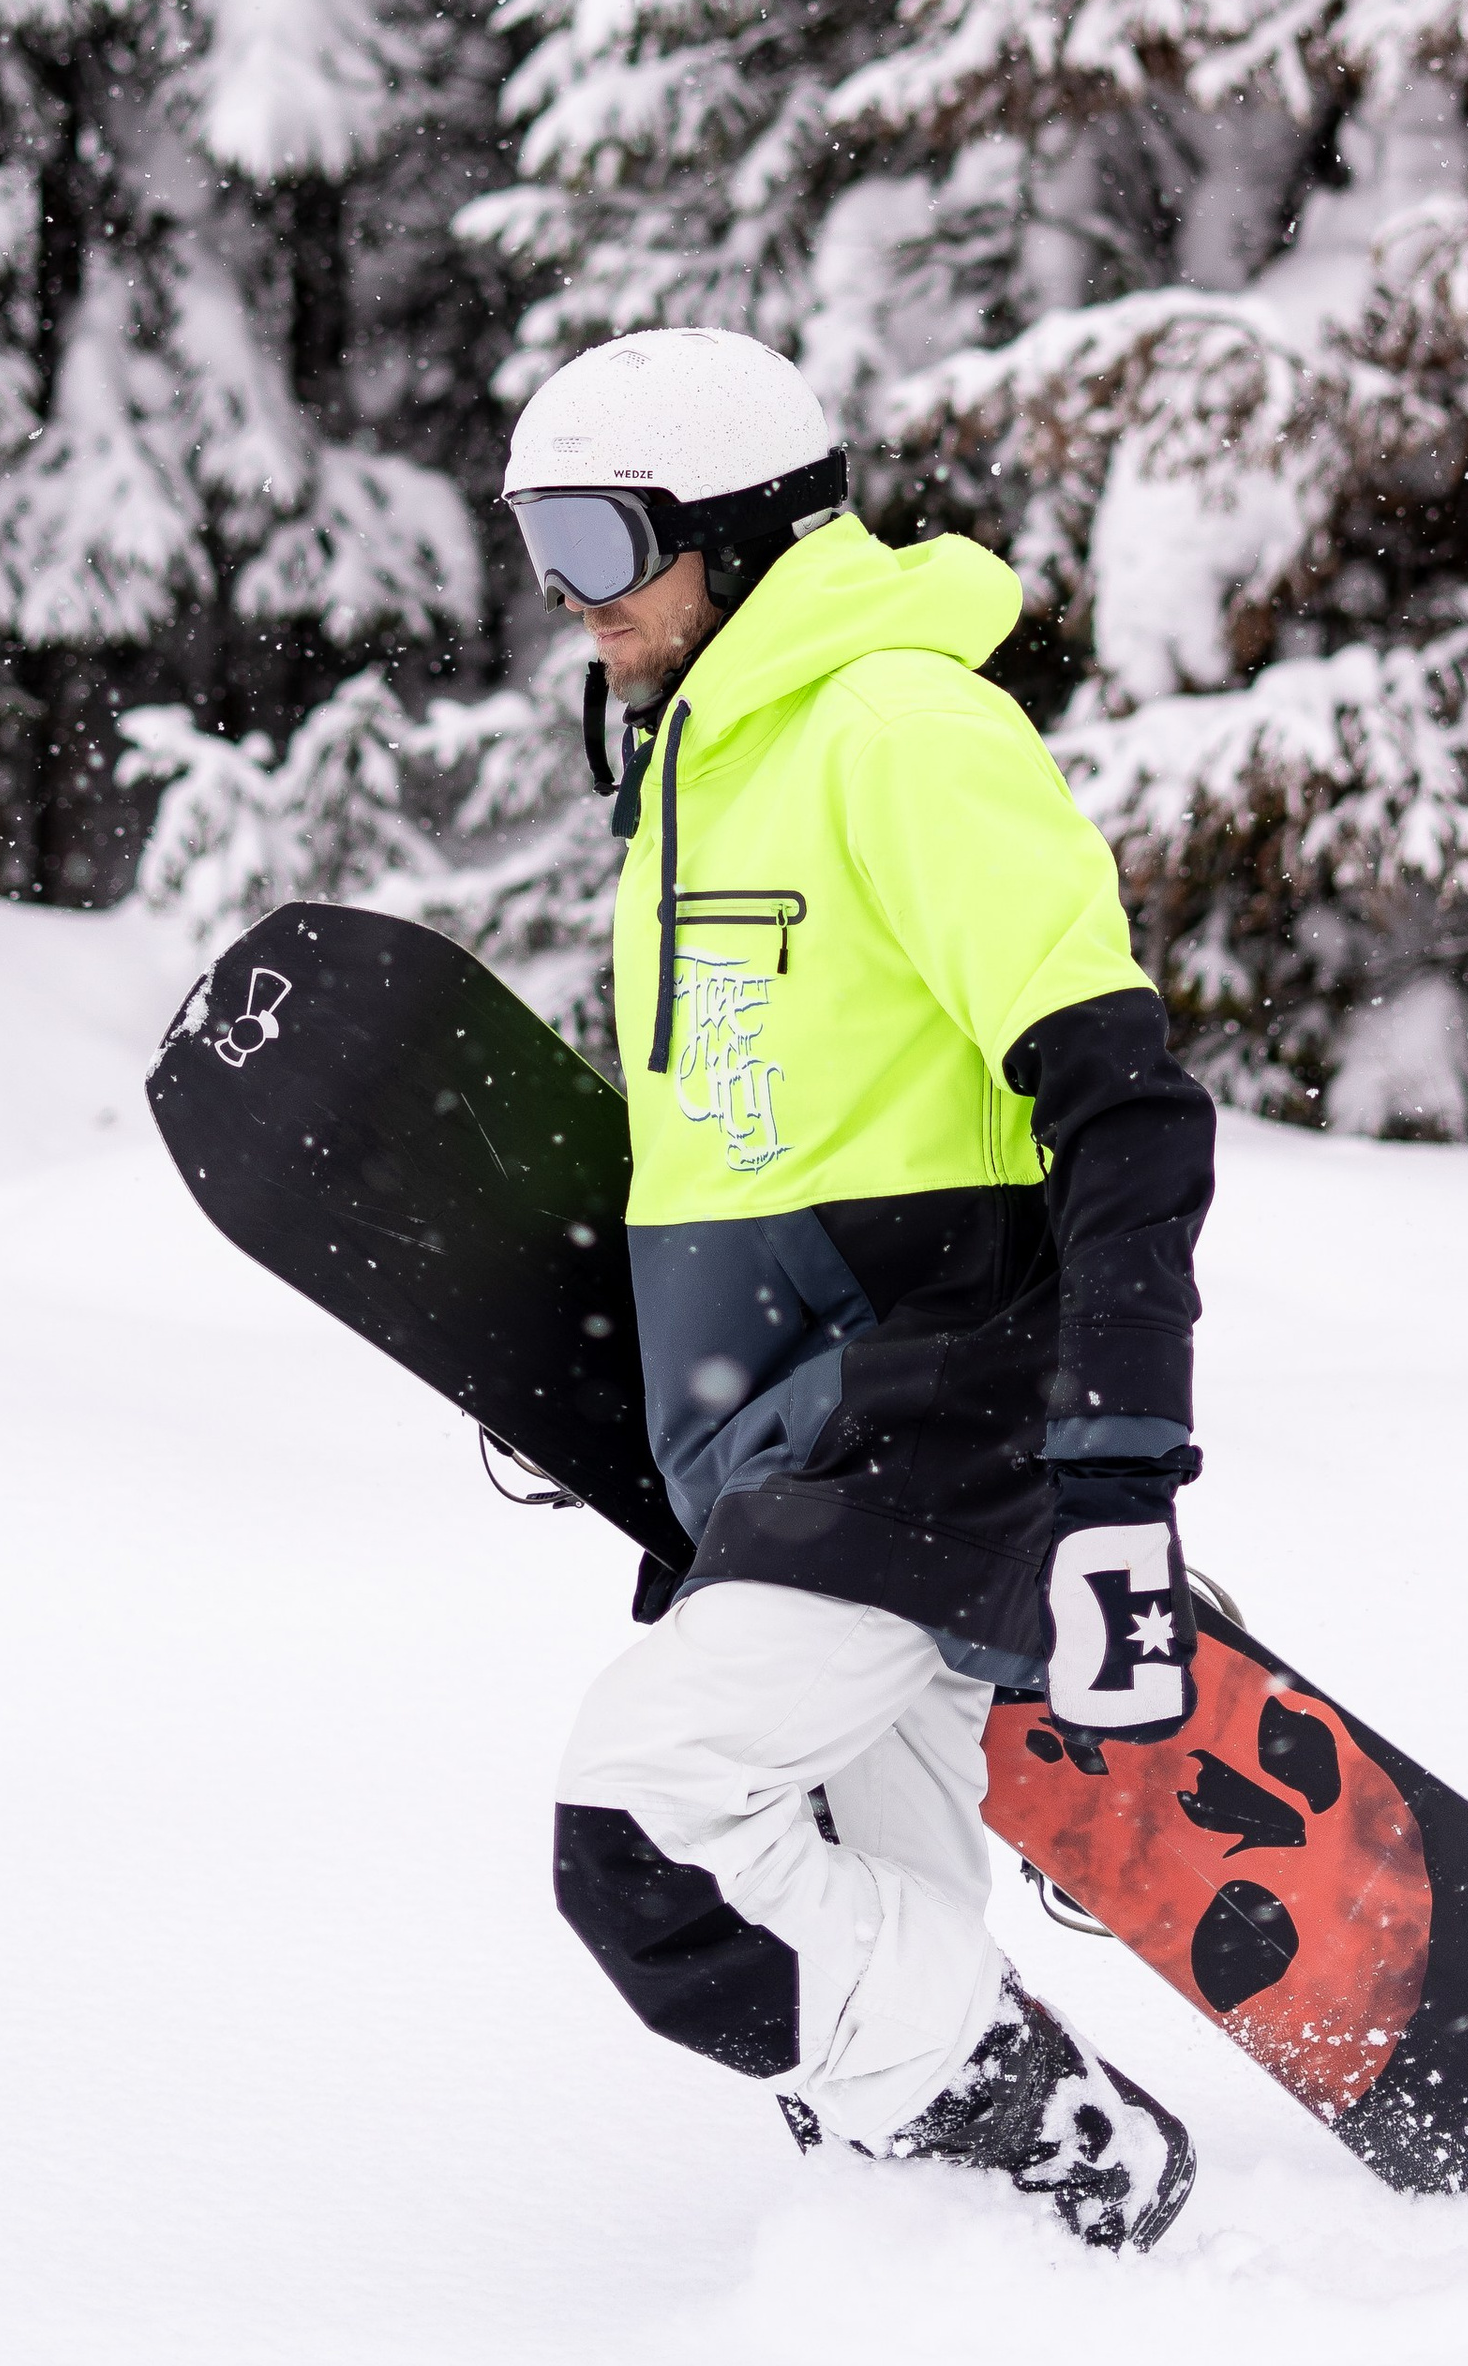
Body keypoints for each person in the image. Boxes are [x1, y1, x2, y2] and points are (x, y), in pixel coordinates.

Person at [502, 326, 1218, 2254]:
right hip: (797, 1450)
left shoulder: (900, 730)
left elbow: (1129, 1111)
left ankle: (1059, 2134)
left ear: (732, 535)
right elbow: (762, 1156)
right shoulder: (698, 772)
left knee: (649, 1838)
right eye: (535, 544)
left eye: (593, 539)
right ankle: (1001, 2254)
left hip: (937, 1424)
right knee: (866, 1873)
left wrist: (1121, 1471)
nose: (567, 601)